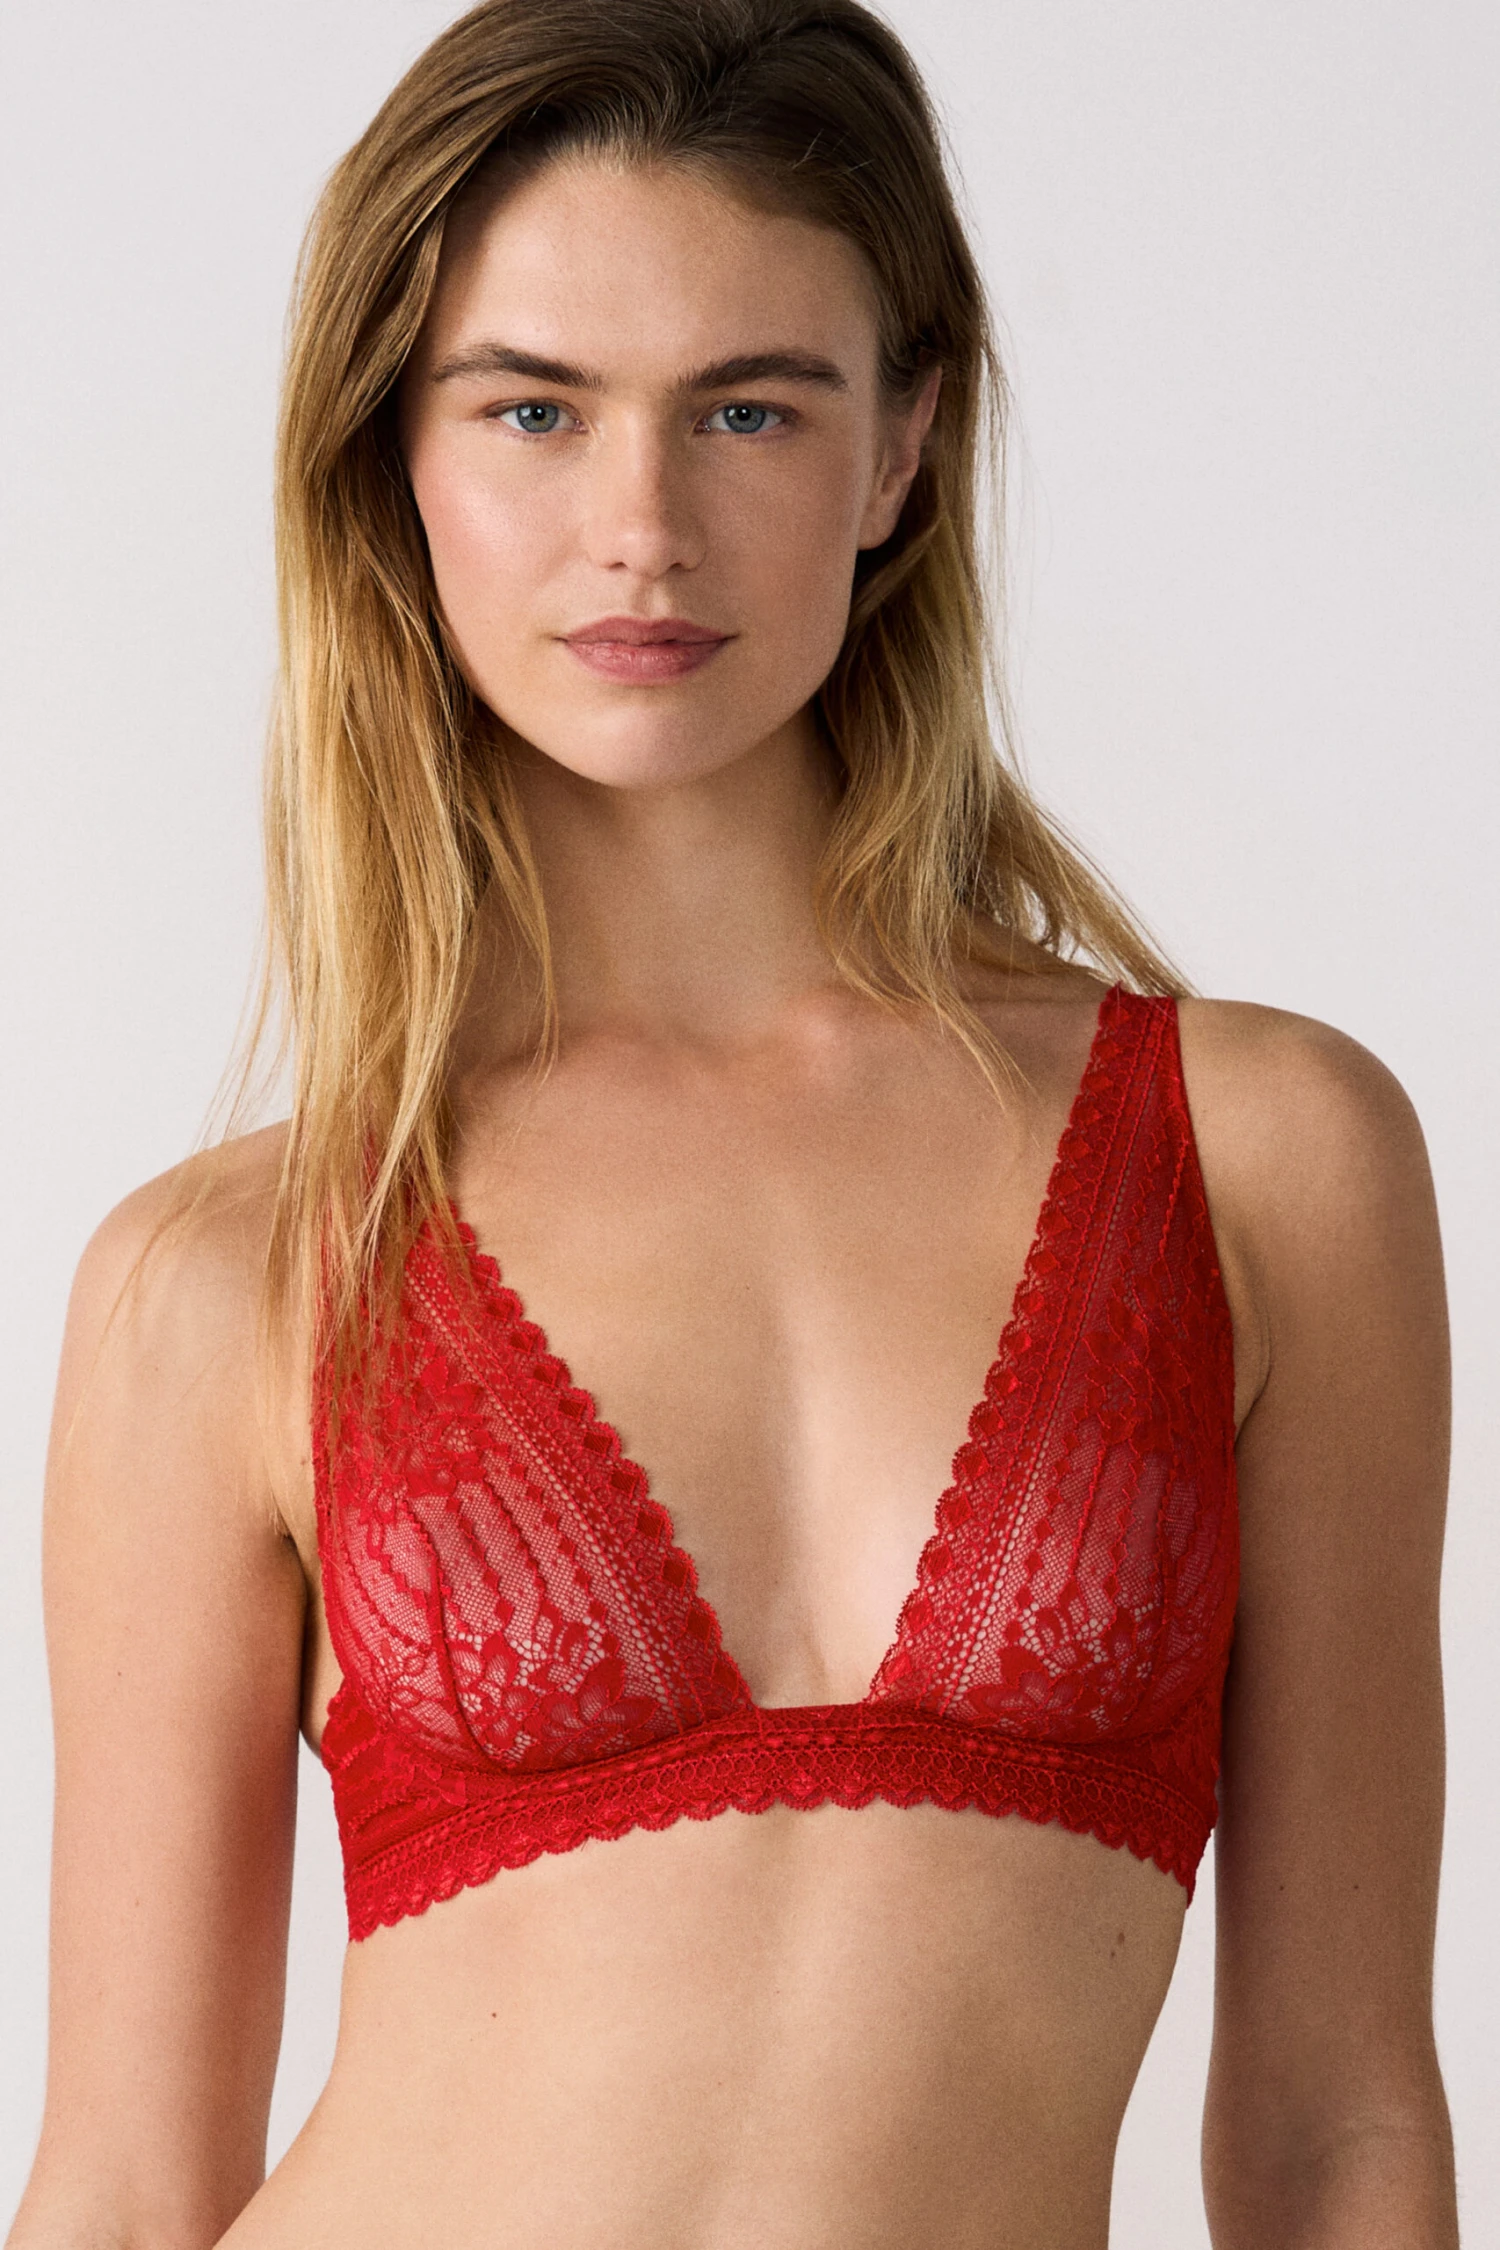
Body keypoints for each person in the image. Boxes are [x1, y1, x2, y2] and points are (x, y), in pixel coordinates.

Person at [8, 2, 1458, 2245]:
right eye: (533, 409)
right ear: (398, 460)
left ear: (901, 451)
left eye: (749, 408)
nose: (642, 530)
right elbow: (116, 2188)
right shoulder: (227, 1279)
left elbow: (1336, 2125)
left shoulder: (1263, 1159)